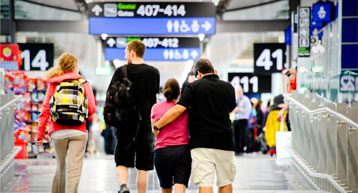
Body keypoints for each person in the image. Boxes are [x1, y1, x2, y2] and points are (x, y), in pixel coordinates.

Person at [153, 58, 236, 193]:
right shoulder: (228, 87)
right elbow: (230, 109)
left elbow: (178, 109)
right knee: (226, 181)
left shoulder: (194, 86)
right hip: (225, 141)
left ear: (199, 73)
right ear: (212, 70)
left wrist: (158, 125)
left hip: (201, 142)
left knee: (205, 181)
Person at [36, 53, 96, 193]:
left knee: (60, 169)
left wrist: (40, 134)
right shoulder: (83, 83)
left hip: (58, 132)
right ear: (75, 66)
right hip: (78, 131)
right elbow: (92, 108)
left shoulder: (54, 83)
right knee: (73, 172)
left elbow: (45, 110)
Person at [106, 40, 160, 193]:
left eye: (125, 52)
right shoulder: (153, 72)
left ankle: (123, 185)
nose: (125, 56)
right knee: (143, 166)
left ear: (132, 52)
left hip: (125, 123)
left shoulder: (120, 71)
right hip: (145, 124)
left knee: (122, 159)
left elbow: (110, 95)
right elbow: (153, 99)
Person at [151, 78, 191, 193]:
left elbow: (155, 131)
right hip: (182, 151)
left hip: (162, 152)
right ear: (179, 92)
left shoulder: (155, 108)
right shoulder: (184, 108)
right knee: (180, 186)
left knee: (166, 188)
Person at [232, 85, 252, 154]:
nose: (238, 92)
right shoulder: (234, 99)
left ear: (242, 91)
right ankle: (236, 149)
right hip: (235, 119)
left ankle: (241, 149)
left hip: (243, 119)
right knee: (235, 135)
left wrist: (239, 109)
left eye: (239, 91)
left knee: (243, 135)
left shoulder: (245, 99)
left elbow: (248, 110)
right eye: (237, 91)